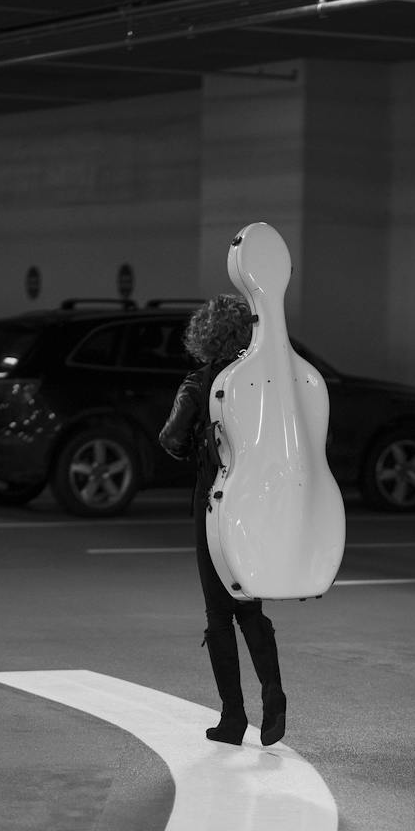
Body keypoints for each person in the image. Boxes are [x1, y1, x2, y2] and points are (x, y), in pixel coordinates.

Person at [160, 295, 287, 748]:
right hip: (256, 501)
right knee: (249, 602)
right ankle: (274, 697)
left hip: (214, 497)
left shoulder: (200, 382)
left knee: (219, 611)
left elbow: (171, 438)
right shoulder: (265, 383)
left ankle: (233, 716)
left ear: (202, 335)